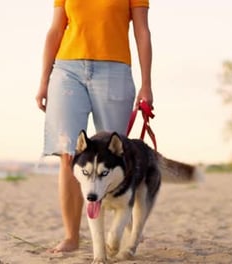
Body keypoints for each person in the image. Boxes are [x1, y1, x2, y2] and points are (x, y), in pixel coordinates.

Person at [35, 0, 153, 253]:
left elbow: (142, 30)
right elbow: (56, 29)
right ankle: (71, 237)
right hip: (67, 70)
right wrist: (44, 80)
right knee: (69, 153)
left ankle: (121, 227)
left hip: (114, 70)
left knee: (115, 155)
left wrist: (146, 83)